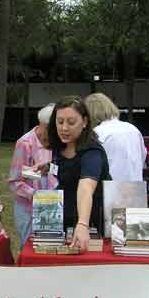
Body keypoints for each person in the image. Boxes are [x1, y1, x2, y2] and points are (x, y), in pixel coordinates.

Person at [44, 95, 111, 252]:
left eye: (71, 122)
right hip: (65, 217)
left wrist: (82, 224)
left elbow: (86, 187)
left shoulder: (92, 152)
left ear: (85, 122)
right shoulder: (61, 146)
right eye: (60, 122)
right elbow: (68, 170)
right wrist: (48, 166)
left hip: (92, 220)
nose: (64, 128)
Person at [7, 104, 58, 248]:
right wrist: (36, 196)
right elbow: (14, 181)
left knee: (51, 247)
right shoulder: (25, 143)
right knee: (30, 248)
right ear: (44, 125)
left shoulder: (59, 143)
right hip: (28, 209)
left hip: (54, 205)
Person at [84, 93, 146, 182]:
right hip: (137, 187)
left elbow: (91, 167)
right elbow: (142, 157)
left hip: (111, 189)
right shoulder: (133, 129)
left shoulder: (97, 133)